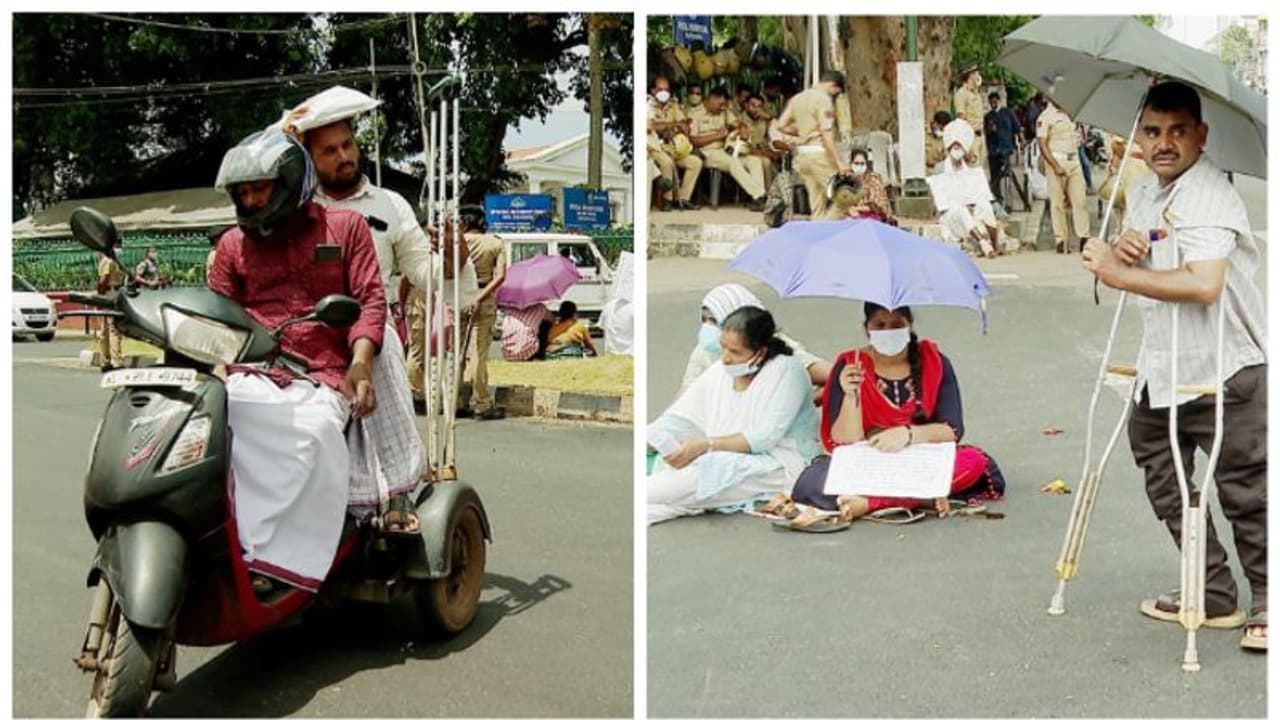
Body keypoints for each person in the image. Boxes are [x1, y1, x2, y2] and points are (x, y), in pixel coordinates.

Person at [1081, 80, 1266, 652]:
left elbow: (1204, 283)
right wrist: (1118, 250)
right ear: (1138, 138)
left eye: (1178, 131)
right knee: (1162, 473)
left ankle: (1269, 598)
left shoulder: (1209, 192)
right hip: (1162, 367)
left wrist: (1116, 273)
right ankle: (1211, 591)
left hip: (1224, 364)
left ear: (1200, 135)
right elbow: (1145, 252)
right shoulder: (1144, 193)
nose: (1165, 143)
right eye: (1154, 132)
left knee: (1245, 489)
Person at [208, 128, 386, 595]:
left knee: (314, 433)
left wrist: (361, 362)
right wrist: (216, 367)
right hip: (252, 373)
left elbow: (370, 301)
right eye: (241, 192)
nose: (248, 200)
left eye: (258, 188)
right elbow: (218, 318)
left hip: (322, 376)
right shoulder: (230, 246)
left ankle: (284, 561)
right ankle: (228, 545)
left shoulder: (346, 228)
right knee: (213, 423)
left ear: (288, 181)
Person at [301, 113, 432, 521]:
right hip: (309, 329)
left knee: (384, 349)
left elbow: (423, 269)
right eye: (329, 150)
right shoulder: (296, 207)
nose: (343, 156)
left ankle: (395, 492)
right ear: (309, 159)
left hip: (372, 325)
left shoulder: (390, 205)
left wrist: (448, 262)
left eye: (348, 145)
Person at [782, 302, 1005, 529]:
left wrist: (907, 434)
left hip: (919, 458)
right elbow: (844, 440)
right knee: (812, 482)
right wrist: (851, 396)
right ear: (866, 329)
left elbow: (952, 430)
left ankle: (871, 503)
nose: (888, 332)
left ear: (910, 325)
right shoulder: (850, 365)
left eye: (897, 324)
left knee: (974, 462)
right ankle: (922, 497)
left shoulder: (935, 362)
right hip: (869, 460)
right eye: (880, 325)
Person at [647, 306, 822, 524]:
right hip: (722, 457)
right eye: (724, 349)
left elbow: (765, 436)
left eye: (735, 352)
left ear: (761, 352)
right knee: (668, 492)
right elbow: (682, 416)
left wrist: (704, 445)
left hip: (778, 464)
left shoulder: (788, 371)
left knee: (677, 485)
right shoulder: (720, 370)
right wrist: (652, 437)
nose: (726, 358)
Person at [679, 283, 831, 401]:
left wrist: (801, 406)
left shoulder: (779, 351)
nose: (708, 328)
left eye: (714, 320)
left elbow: (835, 376)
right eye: (704, 320)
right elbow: (683, 399)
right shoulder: (704, 351)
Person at [777, 70, 849, 217]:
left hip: (803, 157)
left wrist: (803, 133)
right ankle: (827, 226)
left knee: (817, 206)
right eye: (837, 92)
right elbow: (826, 135)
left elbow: (781, 125)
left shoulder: (797, 98)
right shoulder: (823, 100)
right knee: (847, 197)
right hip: (819, 155)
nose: (835, 96)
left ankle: (819, 232)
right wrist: (839, 162)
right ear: (833, 86)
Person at [688, 87, 767, 210]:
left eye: (724, 104)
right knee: (732, 162)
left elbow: (737, 123)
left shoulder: (725, 112)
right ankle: (759, 196)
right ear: (712, 99)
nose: (722, 107)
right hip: (707, 153)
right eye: (720, 104)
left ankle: (759, 198)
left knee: (754, 161)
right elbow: (693, 141)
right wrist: (717, 136)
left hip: (725, 151)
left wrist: (742, 128)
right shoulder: (695, 114)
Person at [935, 119, 1003, 258]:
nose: (956, 149)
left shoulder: (971, 168)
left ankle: (995, 245)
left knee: (985, 206)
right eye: (953, 146)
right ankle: (983, 243)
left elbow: (980, 193)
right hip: (952, 215)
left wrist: (973, 203)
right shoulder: (940, 168)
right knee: (960, 209)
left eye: (959, 146)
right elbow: (941, 202)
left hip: (972, 211)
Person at [463, 215, 507, 420]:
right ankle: (481, 403)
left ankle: (456, 401)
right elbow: (500, 277)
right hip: (484, 297)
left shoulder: (457, 241)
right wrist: (481, 296)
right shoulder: (495, 244)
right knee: (479, 354)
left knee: (456, 352)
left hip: (457, 298)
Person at [1036, 98, 1089, 254]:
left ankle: (1084, 237)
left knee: (1080, 200)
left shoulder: (1072, 113)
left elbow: (1080, 136)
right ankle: (1061, 240)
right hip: (1056, 161)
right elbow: (1042, 144)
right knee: (1057, 203)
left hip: (1074, 160)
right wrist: (1055, 166)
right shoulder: (1045, 117)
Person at [648, 76, 701, 210]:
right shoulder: (648, 105)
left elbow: (684, 125)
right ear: (653, 91)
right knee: (667, 162)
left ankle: (682, 198)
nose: (663, 92)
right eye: (660, 89)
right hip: (654, 147)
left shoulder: (674, 105)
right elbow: (652, 126)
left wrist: (676, 127)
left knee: (695, 162)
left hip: (674, 147)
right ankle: (668, 200)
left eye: (666, 90)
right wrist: (672, 125)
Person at [1097, 134, 1151, 232]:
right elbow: (1116, 145)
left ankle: (1125, 232)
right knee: (1128, 205)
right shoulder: (1130, 125)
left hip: (1144, 168)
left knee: (1135, 206)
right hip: (1133, 167)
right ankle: (1122, 233)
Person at [824, 148, 893, 223]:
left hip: (869, 215)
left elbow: (877, 205)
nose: (859, 166)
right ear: (851, 163)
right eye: (856, 163)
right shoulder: (844, 178)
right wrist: (849, 210)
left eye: (862, 163)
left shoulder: (873, 179)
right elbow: (835, 201)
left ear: (866, 164)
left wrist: (857, 209)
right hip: (847, 214)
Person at [983, 91, 1019, 203]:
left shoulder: (1008, 113)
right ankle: (998, 198)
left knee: (1007, 174)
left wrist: (1020, 142)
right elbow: (984, 132)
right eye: (991, 102)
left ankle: (1009, 200)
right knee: (995, 176)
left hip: (1006, 148)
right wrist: (990, 130)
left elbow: (1016, 127)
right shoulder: (988, 116)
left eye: (995, 101)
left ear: (999, 101)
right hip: (993, 149)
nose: (993, 104)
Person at [95, 241, 125, 371]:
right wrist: (102, 295)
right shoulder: (109, 261)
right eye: (117, 245)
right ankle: (115, 361)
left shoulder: (113, 260)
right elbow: (104, 279)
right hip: (110, 293)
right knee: (113, 328)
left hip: (111, 292)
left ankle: (105, 360)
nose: (119, 248)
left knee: (106, 329)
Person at [952, 64, 988, 177]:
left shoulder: (977, 94)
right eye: (976, 73)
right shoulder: (961, 94)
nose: (978, 75)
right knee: (971, 172)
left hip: (980, 136)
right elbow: (961, 120)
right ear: (970, 75)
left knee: (980, 172)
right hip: (970, 138)